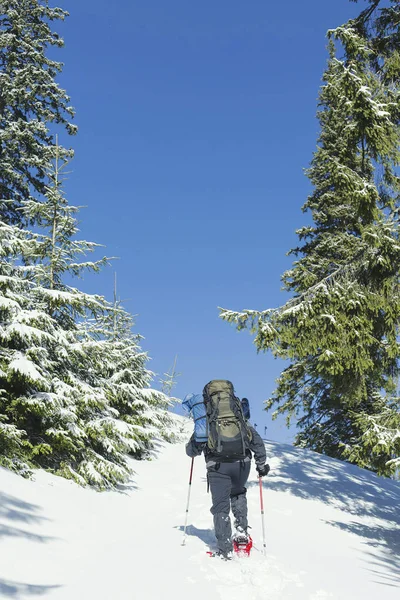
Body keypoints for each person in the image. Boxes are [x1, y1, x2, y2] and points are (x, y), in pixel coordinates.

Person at [185, 389, 270, 559]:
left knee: (220, 505)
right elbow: (257, 442)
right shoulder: (239, 420)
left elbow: (192, 450)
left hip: (217, 467)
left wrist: (193, 448)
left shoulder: (207, 420)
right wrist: (261, 465)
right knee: (238, 493)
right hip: (241, 465)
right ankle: (241, 533)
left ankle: (225, 547)